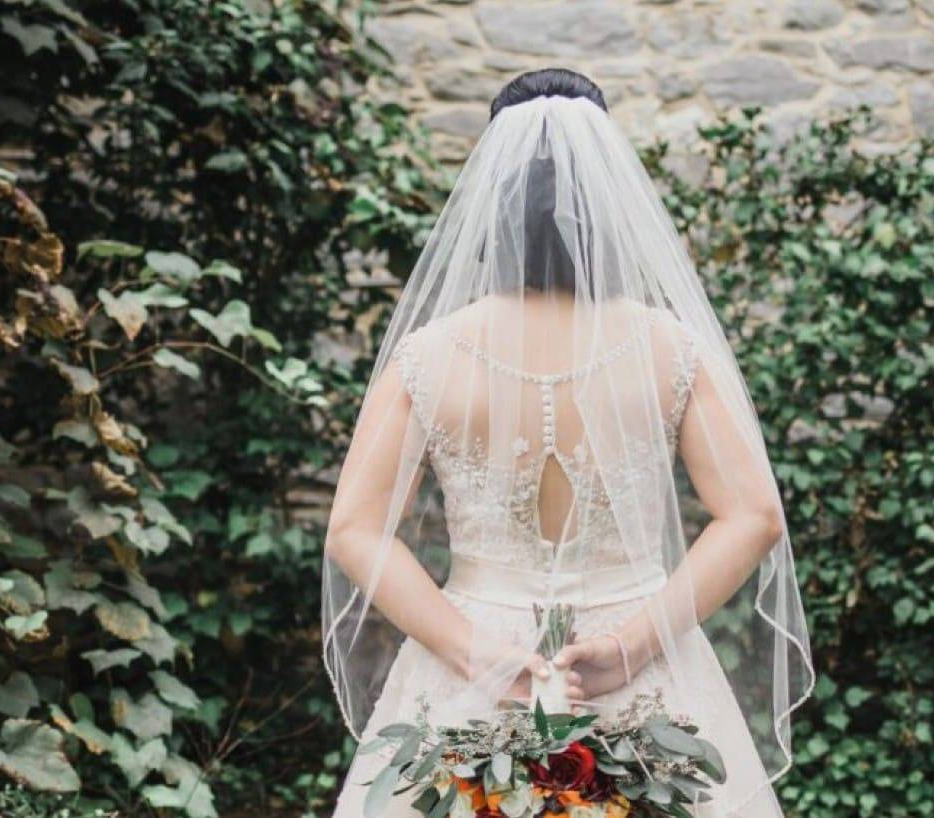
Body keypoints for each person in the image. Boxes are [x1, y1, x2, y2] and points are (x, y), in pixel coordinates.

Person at [321, 68, 813, 817]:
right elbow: (754, 515)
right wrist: (632, 647)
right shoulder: (666, 347)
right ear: (610, 202)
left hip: (476, 669)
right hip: (638, 672)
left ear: (490, 203)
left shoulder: (430, 354)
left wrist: (469, 652)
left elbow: (356, 530)